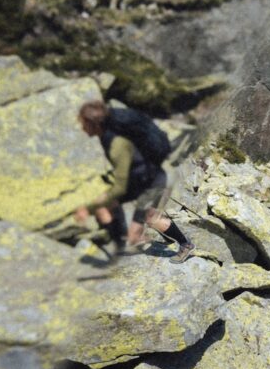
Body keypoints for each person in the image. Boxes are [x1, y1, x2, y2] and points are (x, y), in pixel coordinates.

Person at [74, 101, 195, 264]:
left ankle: (185, 244)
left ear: (93, 124)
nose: (82, 128)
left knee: (150, 217)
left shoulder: (116, 143)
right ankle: (123, 243)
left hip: (152, 181)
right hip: (139, 179)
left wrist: (87, 209)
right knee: (108, 206)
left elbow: (120, 186)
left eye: (83, 123)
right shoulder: (107, 135)